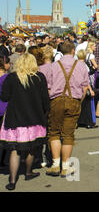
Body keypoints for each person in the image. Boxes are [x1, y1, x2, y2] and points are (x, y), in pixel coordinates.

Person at [0, 53, 50, 190]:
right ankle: (28, 172)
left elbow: (4, 97)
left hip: (15, 118)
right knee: (31, 147)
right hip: (34, 117)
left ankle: (12, 180)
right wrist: (46, 113)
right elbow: (45, 99)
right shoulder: (39, 77)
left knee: (15, 150)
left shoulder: (11, 78)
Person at [45, 41, 89, 177]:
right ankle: (65, 166)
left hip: (56, 100)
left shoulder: (53, 66)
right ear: (73, 51)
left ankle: (54, 165)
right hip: (74, 100)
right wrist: (78, 100)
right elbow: (85, 87)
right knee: (68, 135)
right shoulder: (81, 66)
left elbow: (48, 87)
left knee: (54, 132)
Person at [76, 49, 97, 129]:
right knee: (87, 105)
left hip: (76, 87)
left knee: (79, 104)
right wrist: (90, 89)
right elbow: (86, 79)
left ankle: (78, 122)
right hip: (84, 87)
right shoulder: (84, 65)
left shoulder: (75, 64)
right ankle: (88, 123)